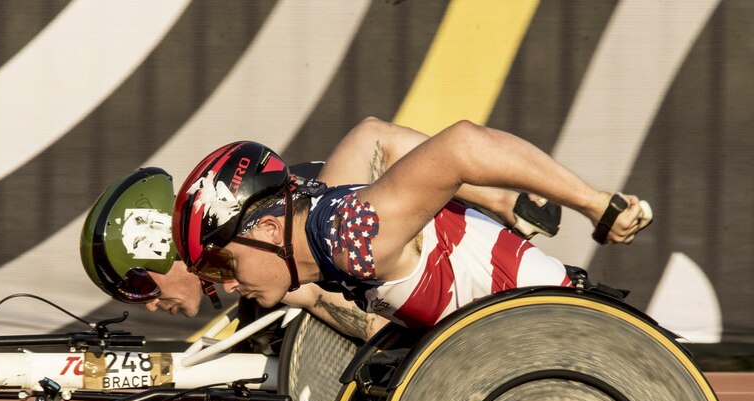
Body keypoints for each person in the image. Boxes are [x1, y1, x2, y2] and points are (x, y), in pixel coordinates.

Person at [82, 118, 561, 339]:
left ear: (166, 249)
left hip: (508, 296)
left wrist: (497, 198)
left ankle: (504, 198)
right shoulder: (264, 267)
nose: (147, 302)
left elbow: (383, 138)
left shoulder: (299, 232)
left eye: (140, 282)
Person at [171, 120, 651, 327]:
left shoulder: (353, 240)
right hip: (517, 336)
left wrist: (596, 204)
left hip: (563, 328)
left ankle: (505, 200)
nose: (228, 284)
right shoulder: (317, 219)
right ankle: (504, 201)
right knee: (375, 138)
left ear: (271, 232)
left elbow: (462, 144)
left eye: (222, 265)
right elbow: (372, 138)